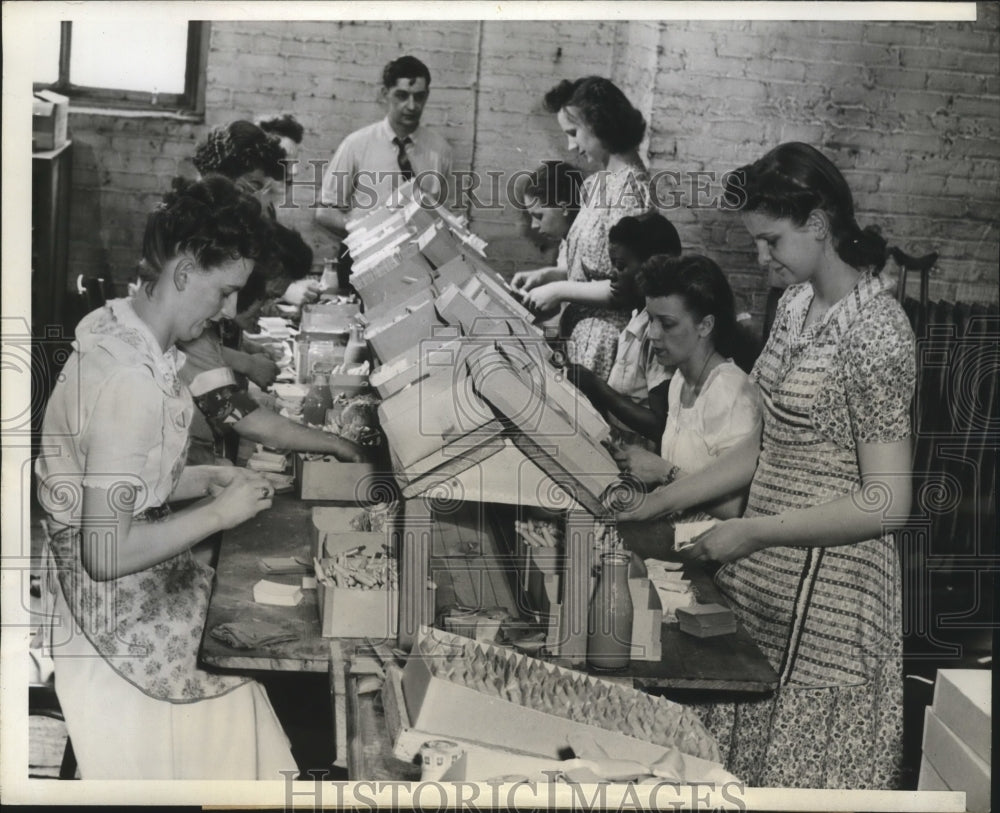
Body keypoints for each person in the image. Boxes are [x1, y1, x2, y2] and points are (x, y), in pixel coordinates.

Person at [619, 142, 916, 789]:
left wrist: (754, 530)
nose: (762, 258)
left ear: (817, 221)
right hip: (765, 582)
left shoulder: (878, 333)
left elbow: (888, 502)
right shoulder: (794, 308)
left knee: (796, 778)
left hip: (830, 600)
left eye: (771, 240)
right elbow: (765, 445)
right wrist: (661, 503)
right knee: (734, 771)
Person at [34, 176, 298, 779]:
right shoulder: (129, 380)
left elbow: (111, 478)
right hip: (105, 618)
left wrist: (201, 478)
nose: (229, 310)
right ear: (183, 271)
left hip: (95, 591)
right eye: (225, 291)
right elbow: (104, 551)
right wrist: (217, 515)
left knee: (245, 624)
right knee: (249, 679)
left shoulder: (121, 328)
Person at [510, 76, 652, 380]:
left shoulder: (632, 192)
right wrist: (550, 275)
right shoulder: (598, 183)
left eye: (574, 133)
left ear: (601, 125)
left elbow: (625, 289)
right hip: (580, 337)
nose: (570, 145)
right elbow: (594, 265)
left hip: (606, 344)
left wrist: (559, 290)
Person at [612, 254, 762, 519]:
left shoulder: (730, 393)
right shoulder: (679, 381)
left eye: (667, 324)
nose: (653, 334)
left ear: (705, 325)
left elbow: (735, 510)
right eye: (651, 320)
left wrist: (662, 471)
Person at [316, 55, 453, 289]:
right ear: (384, 94)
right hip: (363, 261)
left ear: (427, 96)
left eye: (419, 97)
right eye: (402, 95)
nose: (411, 106)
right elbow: (324, 212)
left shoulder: (440, 151)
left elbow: (443, 215)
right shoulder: (356, 144)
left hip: (418, 264)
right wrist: (366, 231)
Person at [569, 211, 682, 449]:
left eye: (621, 266)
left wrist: (596, 386)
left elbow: (659, 425)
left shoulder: (657, 334)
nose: (612, 275)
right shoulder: (636, 318)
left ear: (650, 267)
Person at [193, 119, 322, 309]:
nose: (290, 172)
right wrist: (284, 290)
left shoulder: (249, 212)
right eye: (254, 186)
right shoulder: (201, 220)